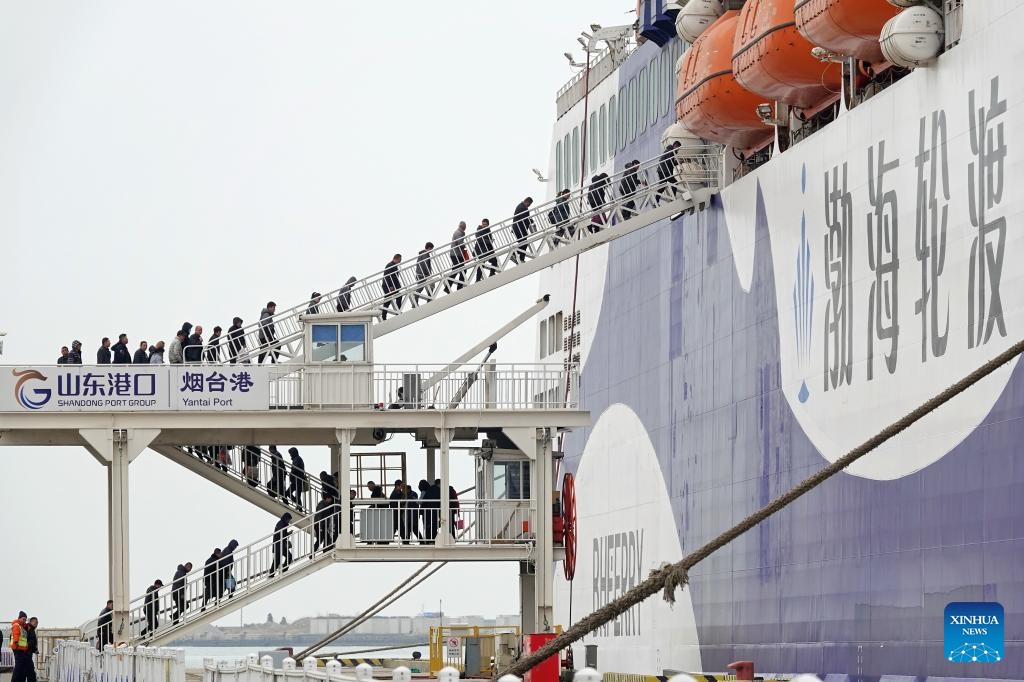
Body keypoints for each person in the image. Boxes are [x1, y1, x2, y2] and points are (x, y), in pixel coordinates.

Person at [446, 222, 468, 293]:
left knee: (456, 270)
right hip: (456, 254)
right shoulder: (459, 233)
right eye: (465, 226)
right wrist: (464, 245)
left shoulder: (459, 232)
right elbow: (460, 243)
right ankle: (458, 287)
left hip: (456, 254)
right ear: (463, 227)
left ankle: (448, 287)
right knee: (461, 270)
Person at [511, 197, 535, 264]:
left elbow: (524, 218)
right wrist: (531, 220)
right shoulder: (522, 207)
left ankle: (520, 258)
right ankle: (515, 255)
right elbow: (524, 218)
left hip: (519, 228)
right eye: (529, 204)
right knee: (523, 243)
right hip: (519, 228)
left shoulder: (521, 206)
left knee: (523, 243)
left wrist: (529, 220)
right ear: (526, 202)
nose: (529, 205)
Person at [418, 479, 440, 544]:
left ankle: (428, 540)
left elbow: (420, 502)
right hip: (434, 511)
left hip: (426, 512)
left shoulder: (424, 492)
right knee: (433, 526)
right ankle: (434, 540)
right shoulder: (434, 490)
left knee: (427, 526)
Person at [381, 254, 402, 320]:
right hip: (388, 286)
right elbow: (388, 276)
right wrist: (390, 286)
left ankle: (396, 311)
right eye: (400, 260)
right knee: (388, 300)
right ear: (397, 259)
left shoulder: (393, 265)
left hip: (391, 286)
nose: (400, 262)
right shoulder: (390, 265)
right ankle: (384, 315)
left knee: (393, 298)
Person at [10, 611, 30, 682]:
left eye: (25, 619)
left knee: (21, 666)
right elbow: (16, 634)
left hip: (22, 649)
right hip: (17, 648)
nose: (24, 621)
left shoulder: (22, 626)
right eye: (23, 619)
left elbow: (24, 638)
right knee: (18, 667)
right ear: (19, 618)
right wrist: (16, 642)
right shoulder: (17, 625)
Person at [287, 447, 307, 511]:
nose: (290, 455)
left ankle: (299, 507)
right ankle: (299, 506)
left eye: (290, 453)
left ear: (293, 453)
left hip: (298, 480)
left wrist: (291, 474)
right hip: (297, 480)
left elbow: (295, 469)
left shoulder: (297, 459)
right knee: (296, 495)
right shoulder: (297, 459)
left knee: (290, 493)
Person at [25, 617, 38, 682]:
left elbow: (32, 641)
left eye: (37, 622)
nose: (37, 624)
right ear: (31, 622)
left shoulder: (31, 629)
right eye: (35, 622)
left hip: (28, 653)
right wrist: (29, 646)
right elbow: (31, 641)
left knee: (29, 671)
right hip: (26, 653)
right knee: (30, 671)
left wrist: (34, 649)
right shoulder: (29, 628)